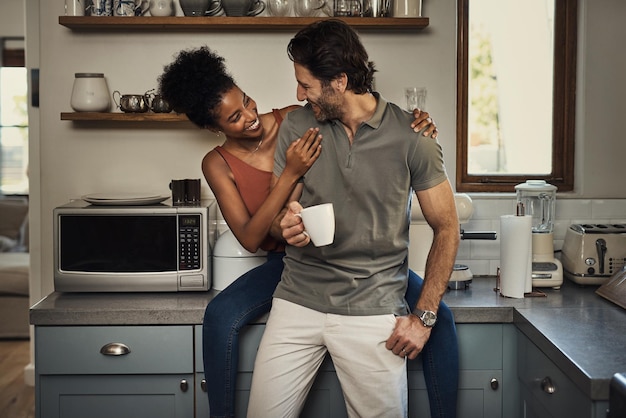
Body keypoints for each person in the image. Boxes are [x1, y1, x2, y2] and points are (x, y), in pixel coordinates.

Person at [158, 46, 452, 418]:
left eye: (247, 102)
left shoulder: (294, 119)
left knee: (440, 315)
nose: (251, 117)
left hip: (359, 265)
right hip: (287, 262)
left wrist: (417, 123)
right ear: (214, 128)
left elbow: (346, 108)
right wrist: (291, 175)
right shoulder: (217, 163)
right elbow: (250, 238)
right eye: (235, 117)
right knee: (219, 316)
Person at [247, 19, 460, 418]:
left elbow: (447, 227)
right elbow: (279, 215)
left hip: (373, 307)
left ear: (339, 81)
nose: (298, 93)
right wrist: (286, 224)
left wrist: (424, 317)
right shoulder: (297, 126)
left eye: (306, 84)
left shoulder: (412, 137)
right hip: (298, 299)